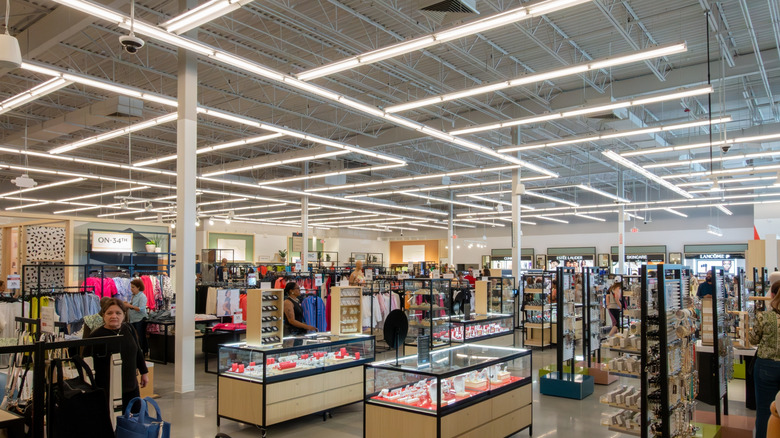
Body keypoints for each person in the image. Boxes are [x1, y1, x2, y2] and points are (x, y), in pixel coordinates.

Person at [86, 298, 148, 413]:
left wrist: (144, 372)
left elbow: (137, 351)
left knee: (133, 421)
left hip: (130, 386)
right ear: (103, 315)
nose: (114, 316)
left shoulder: (129, 329)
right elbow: (86, 362)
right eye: (109, 313)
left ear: (124, 315)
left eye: (118, 313)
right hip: (107, 389)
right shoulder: (96, 336)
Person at [749, 282, 780, 438]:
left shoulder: (764, 316)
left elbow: (753, 340)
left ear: (773, 296)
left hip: (766, 366)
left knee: (764, 410)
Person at [125, 279, 148, 355]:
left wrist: (130, 306)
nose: (131, 289)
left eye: (133, 287)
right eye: (131, 287)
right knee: (135, 336)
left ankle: (143, 352)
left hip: (140, 319)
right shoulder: (133, 296)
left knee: (140, 336)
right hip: (133, 319)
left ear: (138, 287)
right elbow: (134, 305)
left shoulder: (142, 296)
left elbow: (141, 309)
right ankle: (138, 351)